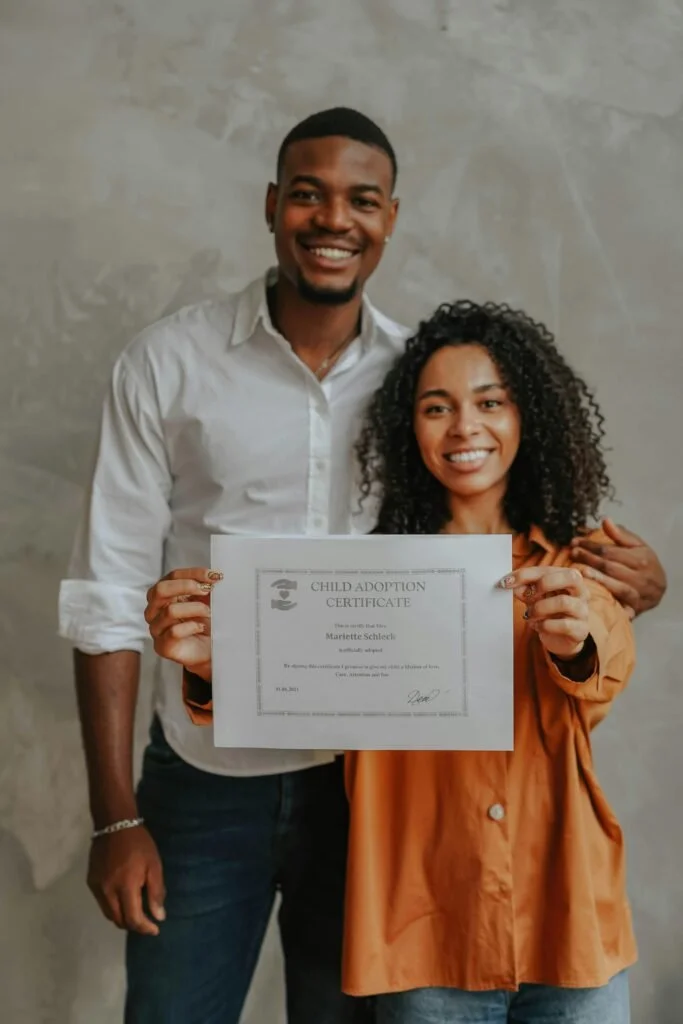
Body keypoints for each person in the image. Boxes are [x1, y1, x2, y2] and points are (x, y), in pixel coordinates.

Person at [61, 105, 664, 1024]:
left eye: (361, 200)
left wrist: (635, 583)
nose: (333, 220)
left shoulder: (422, 375)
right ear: (271, 205)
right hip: (205, 776)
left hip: (374, 790)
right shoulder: (167, 365)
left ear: (389, 218)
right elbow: (105, 596)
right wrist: (114, 817)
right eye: (307, 195)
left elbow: (510, 533)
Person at [162, 300, 644, 1022]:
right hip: (424, 942)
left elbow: (600, 675)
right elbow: (284, 694)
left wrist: (572, 642)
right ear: (406, 429)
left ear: (527, 417)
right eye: (435, 407)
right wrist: (208, 662)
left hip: (570, 927)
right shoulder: (356, 581)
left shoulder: (576, 563)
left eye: (490, 402)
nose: (464, 428)